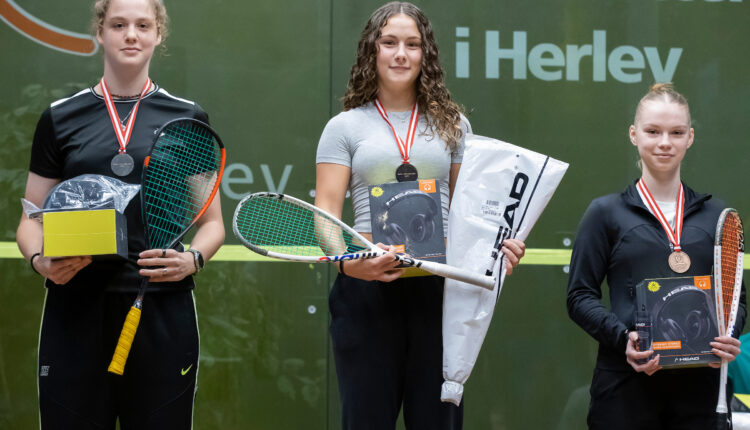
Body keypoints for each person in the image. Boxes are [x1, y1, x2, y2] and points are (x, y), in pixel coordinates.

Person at [314, 2, 525, 429]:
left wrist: (499, 248)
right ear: (371, 51)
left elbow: (472, 213)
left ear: (425, 54)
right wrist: (351, 265)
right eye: (389, 43)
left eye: (412, 44)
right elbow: (326, 214)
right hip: (366, 295)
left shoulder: (453, 125)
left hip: (438, 293)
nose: (400, 54)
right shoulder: (344, 128)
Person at [15, 0, 224, 428]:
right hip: (75, 309)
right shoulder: (60, 118)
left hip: (161, 308)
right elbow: (31, 218)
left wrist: (193, 260)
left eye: (142, 25)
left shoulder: (188, 118)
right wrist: (40, 262)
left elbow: (212, 223)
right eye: (119, 24)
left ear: (158, 35)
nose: (131, 34)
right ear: (100, 33)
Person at [566, 82, 746, 429]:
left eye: (676, 132)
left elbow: (736, 298)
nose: (665, 142)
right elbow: (579, 296)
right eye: (653, 131)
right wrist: (623, 339)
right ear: (634, 135)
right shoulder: (605, 213)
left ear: (690, 137)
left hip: (701, 393)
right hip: (625, 387)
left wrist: (729, 335)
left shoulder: (717, 216)